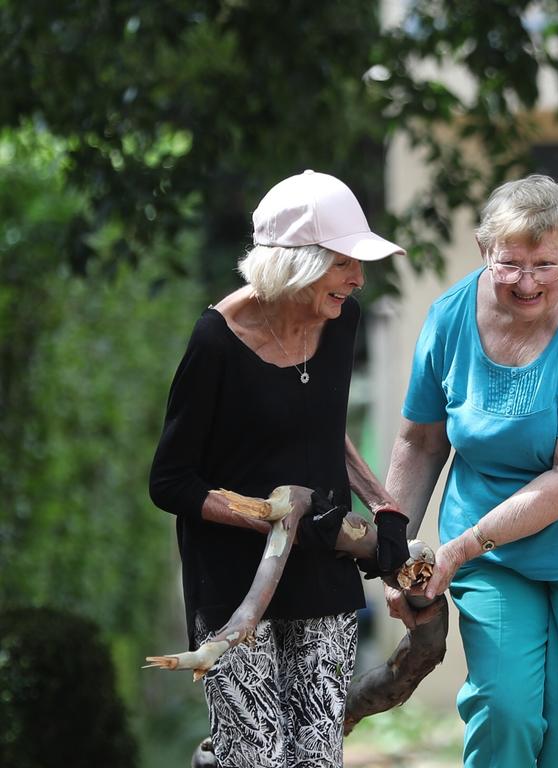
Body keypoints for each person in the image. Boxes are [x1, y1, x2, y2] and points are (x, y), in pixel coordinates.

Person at [385, 174, 558, 767]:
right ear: (484, 251)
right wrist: (391, 551)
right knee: (503, 709)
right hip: (495, 554)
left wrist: (457, 549)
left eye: (545, 264)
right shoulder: (449, 318)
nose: (528, 281)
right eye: (510, 263)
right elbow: (420, 440)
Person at [149, 169, 409, 768]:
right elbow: (170, 482)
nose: (358, 278)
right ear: (300, 262)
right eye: (346, 263)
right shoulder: (217, 340)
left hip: (322, 569)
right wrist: (272, 518)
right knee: (256, 757)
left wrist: (385, 507)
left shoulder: (342, 319)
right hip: (232, 585)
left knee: (317, 755)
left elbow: (321, 426)